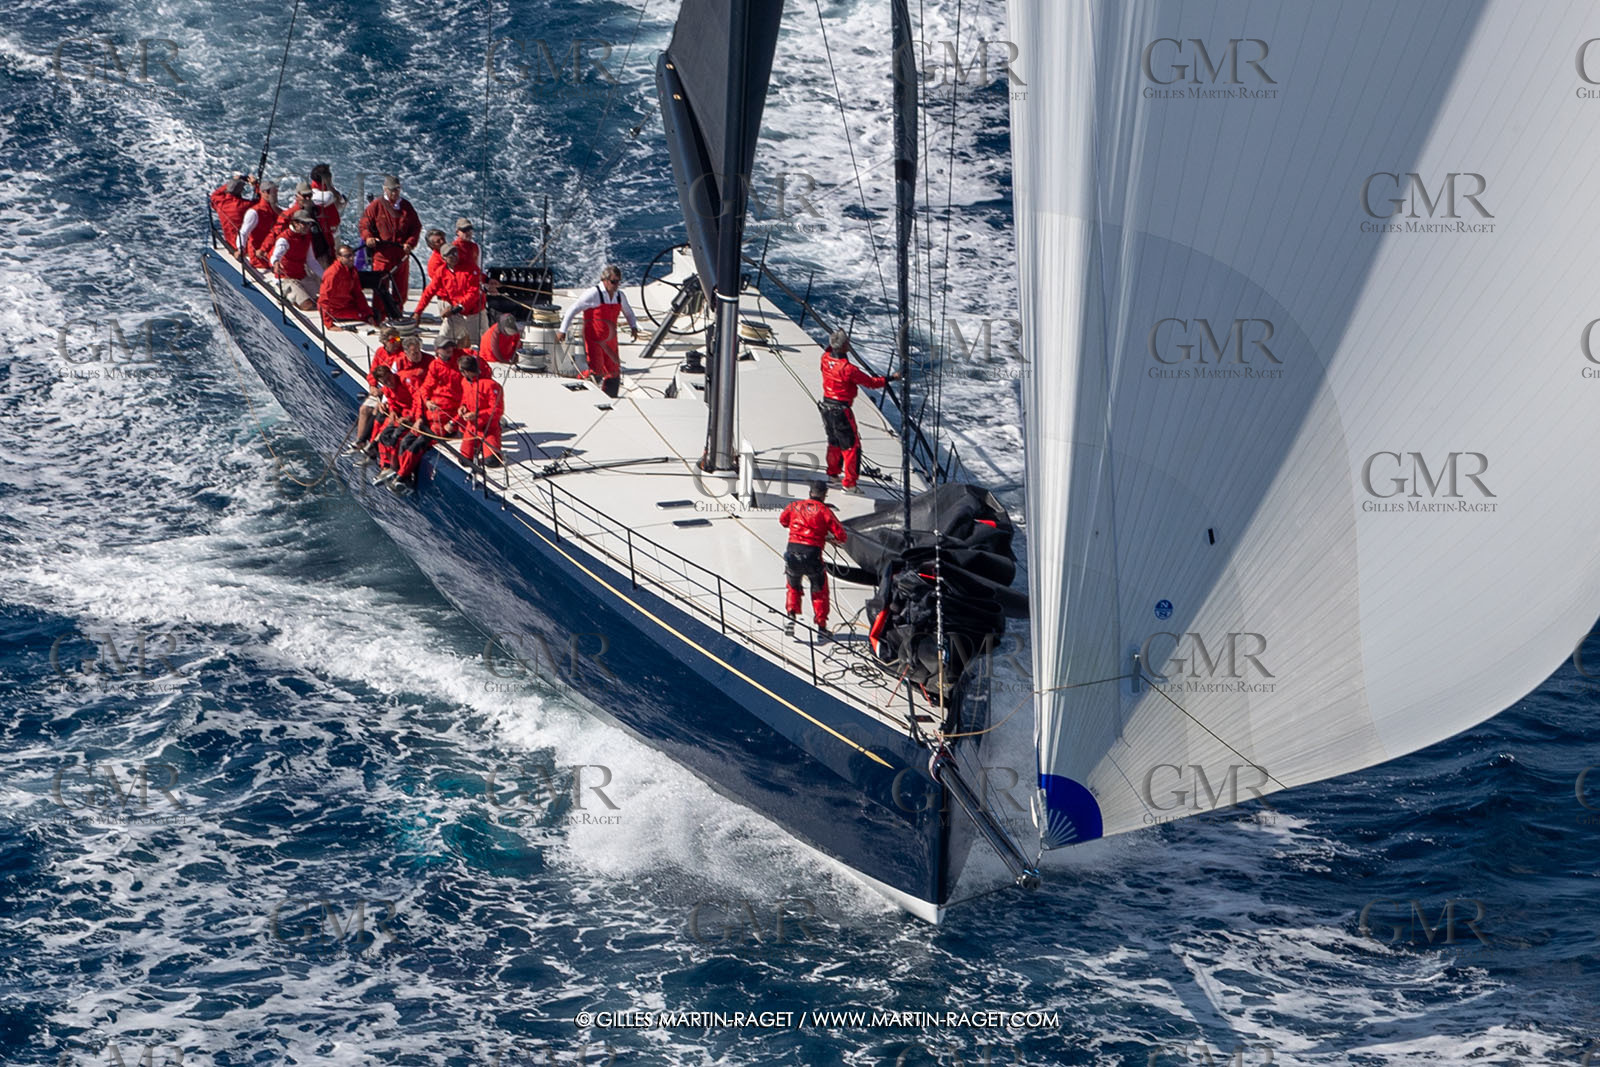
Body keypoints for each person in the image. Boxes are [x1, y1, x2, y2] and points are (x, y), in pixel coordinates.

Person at [818, 329, 900, 493]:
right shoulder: (848, 369)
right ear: (843, 347)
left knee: (834, 442)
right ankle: (849, 484)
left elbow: (829, 349)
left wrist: (837, 338)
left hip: (826, 408)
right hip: (841, 410)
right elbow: (871, 383)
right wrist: (892, 378)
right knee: (851, 447)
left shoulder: (825, 359)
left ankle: (833, 475)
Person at [778, 480, 849, 639]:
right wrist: (827, 537)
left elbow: (783, 521)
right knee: (819, 591)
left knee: (793, 586)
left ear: (810, 492)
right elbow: (841, 535)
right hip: (812, 554)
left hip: (793, 552)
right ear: (824, 495)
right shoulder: (825, 511)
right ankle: (821, 627)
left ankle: (791, 615)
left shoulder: (794, 505)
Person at [556, 263, 638, 398]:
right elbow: (573, 310)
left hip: (611, 339)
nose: (616, 285)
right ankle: (578, 385)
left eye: (618, 282)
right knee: (597, 371)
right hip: (594, 338)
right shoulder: (593, 294)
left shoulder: (619, 296)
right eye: (613, 282)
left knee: (614, 372)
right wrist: (562, 330)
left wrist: (633, 326)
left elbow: (628, 312)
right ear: (604, 281)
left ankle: (610, 397)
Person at [358, 175, 422, 302]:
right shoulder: (375, 206)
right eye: (392, 189)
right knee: (380, 287)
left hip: (401, 254)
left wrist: (410, 243)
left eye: (397, 189)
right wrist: (368, 237)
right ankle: (380, 316)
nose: (394, 192)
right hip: (382, 255)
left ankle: (398, 315)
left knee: (401, 289)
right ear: (384, 189)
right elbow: (364, 225)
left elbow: (416, 227)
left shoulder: (406, 206)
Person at [412, 243, 486, 345]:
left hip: (475, 314)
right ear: (444, 258)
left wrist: (457, 308)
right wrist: (418, 312)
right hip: (456, 315)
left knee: (480, 345)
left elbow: (474, 292)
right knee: (442, 343)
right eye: (450, 254)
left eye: (455, 252)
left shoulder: (470, 268)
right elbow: (429, 292)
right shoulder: (441, 272)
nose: (454, 256)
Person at [351, 326, 407, 453]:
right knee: (364, 409)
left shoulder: (401, 356)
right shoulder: (380, 352)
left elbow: (398, 378)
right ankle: (360, 441)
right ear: (384, 342)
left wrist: (382, 391)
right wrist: (372, 385)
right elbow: (372, 372)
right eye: (393, 340)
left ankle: (372, 444)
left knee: (377, 410)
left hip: (390, 390)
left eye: (398, 338)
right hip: (379, 388)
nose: (397, 342)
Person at [359, 363, 415, 468]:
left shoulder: (404, 382)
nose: (389, 382)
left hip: (413, 414)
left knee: (394, 435)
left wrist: (408, 417)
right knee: (383, 428)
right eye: (385, 382)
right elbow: (392, 402)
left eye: (389, 378)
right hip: (402, 414)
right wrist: (393, 411)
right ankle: (378, 456)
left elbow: (417, 401)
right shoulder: (387, 389)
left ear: (391, 373)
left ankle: (393, 466)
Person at [457, 356, 505, 467]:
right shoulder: (465, 382)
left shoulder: (491, 385)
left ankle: (488, 450)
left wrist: (477, 414)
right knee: (464, 461)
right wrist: (463, 407)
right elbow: (465, 398)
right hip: (472, 427)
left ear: (467, 372)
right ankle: (478, 449)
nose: (461, 374)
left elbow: (498, 410)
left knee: (492, 462)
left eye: (461, 371)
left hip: (489, 428)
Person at [269, 211, 322, 310]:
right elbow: (275, 256)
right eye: (304, 224)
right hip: (287, 278)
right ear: (295, 223)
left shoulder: (306, 237)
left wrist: (325, 276)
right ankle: (284, 294)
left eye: (309, 224)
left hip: (301, 276)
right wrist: (276, 263)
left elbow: (311, 261)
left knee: (321, 300)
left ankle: (297, 294)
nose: (307, 227)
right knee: (307, 305)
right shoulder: (284, 239)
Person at [319, 243, 375, 329]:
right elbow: (323, 299)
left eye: (352, 255)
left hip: (348, 306)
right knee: (363, 316)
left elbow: (358, 293)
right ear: (339, 257)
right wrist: (329, 324)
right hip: (336, 311)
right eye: (347, 256)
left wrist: (367, 313)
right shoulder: (333, 273)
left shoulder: (352, 270)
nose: (352, 258)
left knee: (373, 314)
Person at [237, 179, 281, 266]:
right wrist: (240, 249)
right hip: (259, 257)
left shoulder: (275, 209)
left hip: (273, 252)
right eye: (269, 192)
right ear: (262, 193)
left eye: (275, 191)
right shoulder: (254, 212)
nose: (273, 194)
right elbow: (243, 232)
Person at [308, 163, 346, 261]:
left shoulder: (327, 191)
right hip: (324, 236)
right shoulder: (316, 194)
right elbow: (333, 197)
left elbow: (341, 202)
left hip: (334, 232)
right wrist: (330, 186)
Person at [209, 173, 256, 250]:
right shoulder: (244, 205)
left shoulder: (219, 202)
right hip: (244, 245)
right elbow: (262, 204)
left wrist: (234, 181)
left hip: (230, 242)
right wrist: (255, 185)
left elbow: (215, 194)